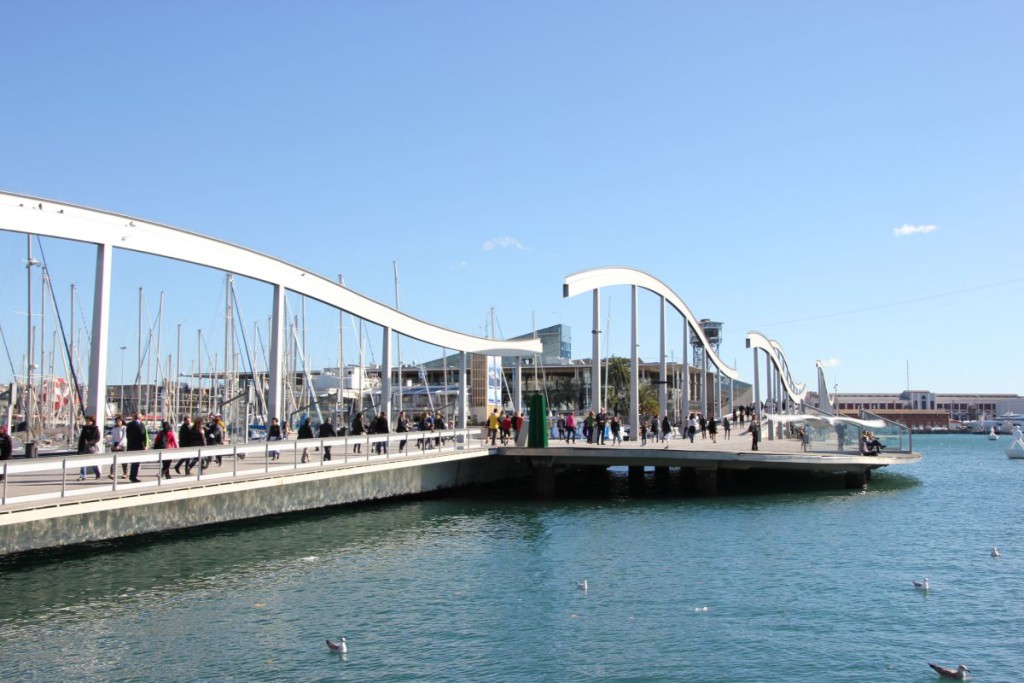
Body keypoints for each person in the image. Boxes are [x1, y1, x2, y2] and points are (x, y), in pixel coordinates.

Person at [77, 415, 102, 480]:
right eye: (87, 421)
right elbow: (81, 439)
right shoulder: (84, 429)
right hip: (84, 447)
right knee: (83, 462)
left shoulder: (95, 429)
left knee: (93, 462)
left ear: (92, 421)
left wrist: (90, 442)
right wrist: (80, 449)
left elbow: (97, 438)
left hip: (92, 448)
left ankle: (97, 474)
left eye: (89, 421)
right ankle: (82, 476)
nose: (88, 422)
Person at [125, 412, 148, 482]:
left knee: (133, 462)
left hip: (130, 446)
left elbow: (127, 436)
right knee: (136, 463)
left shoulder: (129, 425)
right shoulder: (140, 425)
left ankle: (132, 476)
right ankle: (133, 477)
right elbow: (143, 435)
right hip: (138, 446)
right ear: (140, 418)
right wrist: (145, 445)